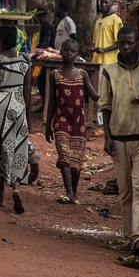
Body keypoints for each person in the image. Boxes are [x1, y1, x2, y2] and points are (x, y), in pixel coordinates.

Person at [99, 25, 139, 256]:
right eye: (122, 43)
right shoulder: (109, 71)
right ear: (117, 43)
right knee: (125, 190)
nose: (126, 47)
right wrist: (107, 136)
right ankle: (129, 235)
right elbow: (104, 106)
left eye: (130, 43)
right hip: (118, 138)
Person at [0, 24, 32, 214]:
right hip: (18, 106)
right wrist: (24, 110)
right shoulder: (25, 59)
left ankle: (0, 197)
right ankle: (16, 189)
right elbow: (27, 89)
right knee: (17, 147)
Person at [45, 39, 100, 204]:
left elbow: (93, 95)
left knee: (76, 157)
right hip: (60, 119)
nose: (69, 53)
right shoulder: (54, 75)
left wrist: (110, 95)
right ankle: (69, 192)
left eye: (72, 51)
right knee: (64, 153)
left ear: (77, 55)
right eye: (66, 50)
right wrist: (48, 125)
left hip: (78, 121)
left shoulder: (82, 74)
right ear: (60, 52)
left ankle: (73, 193)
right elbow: (52, 102)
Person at [92, 0, 123, 65]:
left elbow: (120, 42)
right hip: (96, 62)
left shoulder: (115, 19)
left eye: (106, 2)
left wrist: (104, 50)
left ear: (111, 4)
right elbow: (95, 43)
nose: (103, 4)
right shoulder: (98, 21)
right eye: (102, 2)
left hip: (110, 62)